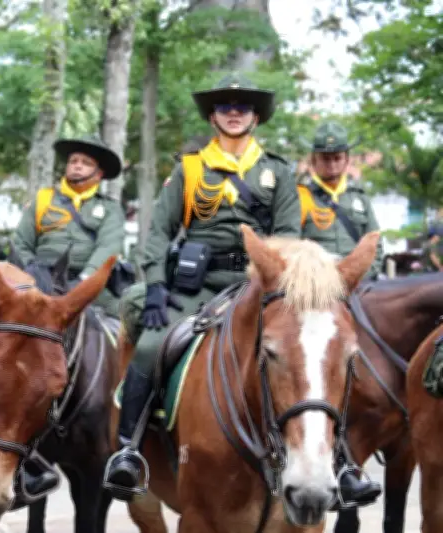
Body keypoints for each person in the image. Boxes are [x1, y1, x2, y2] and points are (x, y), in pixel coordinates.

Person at [105, 73, 381, 508]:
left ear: (255, 117)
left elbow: (290, 235)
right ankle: (129, 450)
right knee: (151, 345)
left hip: (263, 285)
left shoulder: (277, 171)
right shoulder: (190, 168)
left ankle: (342, 459)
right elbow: (158, 232)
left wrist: (280, 278)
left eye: (243, 107)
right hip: (197, 284)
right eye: (225, 107)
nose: (234, 113)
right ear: (213, 117)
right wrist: (156, 286)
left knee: (315, 356)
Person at [12, 135, 125, 319]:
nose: (77, 166)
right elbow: (20, 243)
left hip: (87, 285)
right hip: (37, 281)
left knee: (125, 323)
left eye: (86, 163)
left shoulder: (110, 209)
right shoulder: (43, 199)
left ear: (99, 174)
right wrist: (32, 274)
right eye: (73, 161)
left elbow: (108, 248)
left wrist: (84, 281)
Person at [298, 121, 383, 280]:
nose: (332, 164)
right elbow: (291, 244)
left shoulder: (359, 197)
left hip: (358, 283)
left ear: (347, 160)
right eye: (325, 159)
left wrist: (364, 275)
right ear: (314, 161)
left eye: (337, 158)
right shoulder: (300, 196)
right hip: (316, 283)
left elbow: (375, 242)